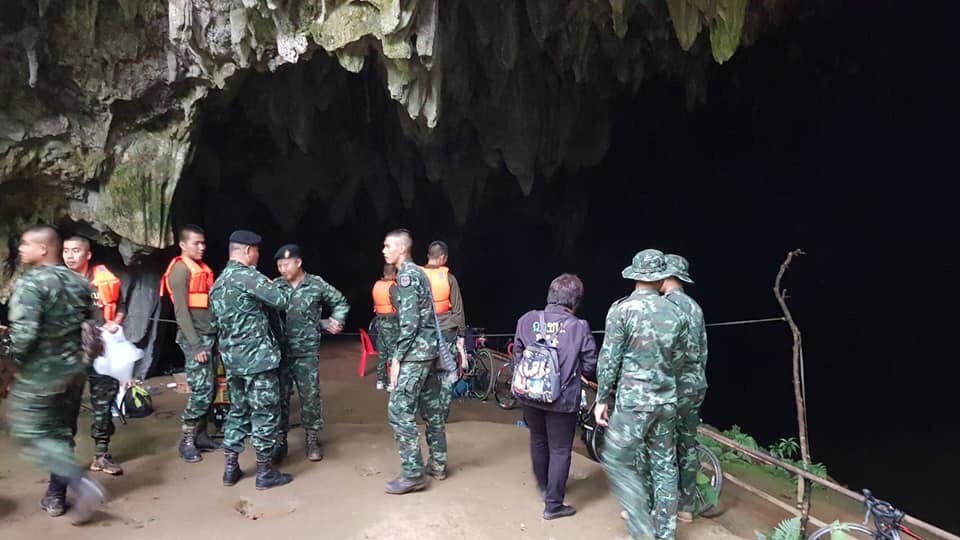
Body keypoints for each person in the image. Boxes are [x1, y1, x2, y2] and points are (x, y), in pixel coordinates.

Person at [6, 225, 105, 522]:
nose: (21, 250)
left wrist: (10, 360)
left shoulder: (30, 284)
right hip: (74, 370)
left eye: (25, 244)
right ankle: (56, 496)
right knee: (62, 431)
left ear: (44, 249)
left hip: (41, 373)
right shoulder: (79, 281)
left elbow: (25, 336)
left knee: (26, 428)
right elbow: (92, 323)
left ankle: (79, 483)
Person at [595, 249, 693, 540]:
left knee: (616, 460)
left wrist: (602, 397)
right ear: (660, 276)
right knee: (664, 467)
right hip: (665, 400)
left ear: (636, 275)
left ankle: (641, 531)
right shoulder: (677, 312)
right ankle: (665, 533)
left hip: (635, 402)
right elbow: (679, 359)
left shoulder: (622, 310)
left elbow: (609, 359)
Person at [210, 230, 293, 489]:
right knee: (265, 412)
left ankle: (231, 468)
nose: (258, 255)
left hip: (233, 361)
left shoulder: (219, 283)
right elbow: (281, 301)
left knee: (238, 410)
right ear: (247, 251)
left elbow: (215, 323)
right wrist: (276, 283)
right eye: (256, 250)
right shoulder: (248, 277)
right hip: (258, 360)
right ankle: (265, 471)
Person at [512, 273, 597, 520]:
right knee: (560, 449)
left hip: (529, 395)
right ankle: (553, 505)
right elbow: (591, 364)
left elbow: (517, 354)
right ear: (575, 301)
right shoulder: (578, 327)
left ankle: (543, 486)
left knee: (538, 438)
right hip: (563, 399)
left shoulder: (527, 320)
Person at [381, 229, 452, 494]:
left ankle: (413, 474)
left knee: (399, 411)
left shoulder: (408, 276)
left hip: (416, 354)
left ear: (402, 249)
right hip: (429, 350)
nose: (384, 250)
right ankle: (438, 464)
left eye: (388, 246)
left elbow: (409, 323)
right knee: (432, 410)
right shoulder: (419, 273)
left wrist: (398, 358)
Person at [272, 244, 350, 464]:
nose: (282, 270)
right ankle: (280, 440)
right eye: (279, 266)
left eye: (286, 265)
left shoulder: (316, 284)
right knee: (280, 397)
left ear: (298, 263)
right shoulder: (276, 286)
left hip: (306, 352)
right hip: (280, 352)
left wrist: (336, 321)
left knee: (310, 397)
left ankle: (312, 439)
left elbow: (340, 302)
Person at [62, 235, 125, 475]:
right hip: (71, 354)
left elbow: (121, 305)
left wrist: (115, 322)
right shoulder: (58, 282)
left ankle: (101, 455)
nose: (70, 255)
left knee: (103, 403)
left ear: (87, 254)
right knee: (68, 408)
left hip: (102, 351)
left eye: (75, 250)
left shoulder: (103, 278)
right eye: (66, 251)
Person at [160, 224, 219, 462]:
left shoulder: (202, 268)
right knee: (201, 391)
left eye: (203, 242)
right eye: (196, 243)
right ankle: (186, 439)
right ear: (183, 245)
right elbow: (181, 313)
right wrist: (196, 346)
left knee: (211, 387)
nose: (202, 247)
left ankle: (201, 435)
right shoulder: (180, 271)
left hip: (209, 335)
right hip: (195, 339)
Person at [661, 254, 707, 523]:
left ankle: (660, 506)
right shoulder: (695, 308)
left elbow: (664, 353)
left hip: (671, 387)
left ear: (667, 277)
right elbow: (702, 351)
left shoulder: (664, 307)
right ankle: (686, 507)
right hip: (695, 386)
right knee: (687, 446)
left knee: (661, 445)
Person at [419, 240, 466, 480]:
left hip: (422, 339)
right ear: (444, 258)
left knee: (424, 385)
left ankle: (430, 418)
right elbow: (458, 312)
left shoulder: (415, 276)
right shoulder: (450, 279)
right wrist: (462, 338)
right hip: (446, 334)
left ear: (428, 257)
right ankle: (441, 414)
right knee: (446, 379)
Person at [371, 264, 400, 390]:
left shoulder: (376, 285)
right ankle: (390, 382)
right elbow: (399, 307)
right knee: (392, 353)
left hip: (379, 322)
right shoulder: (392, 287)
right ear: (393, 274)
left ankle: (380, 380)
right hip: (391, 324)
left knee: (381, 352)